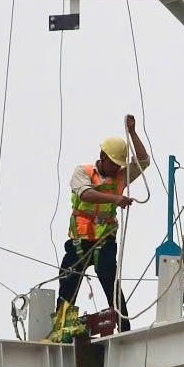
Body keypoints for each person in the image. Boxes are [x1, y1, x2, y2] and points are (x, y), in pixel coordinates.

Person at [57, 114, 151, 333]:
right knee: (68, 284)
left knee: (110, 282)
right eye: (113, 163)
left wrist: (133, 133)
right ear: (103, 156)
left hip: (104, 240)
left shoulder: (120, 175)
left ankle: (124, 327)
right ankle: (61, 329)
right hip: (80, 241)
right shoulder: (83, 172)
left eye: (119, 164)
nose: (116, 168)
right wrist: (115, 199)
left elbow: (144, 160)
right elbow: (86, 195)